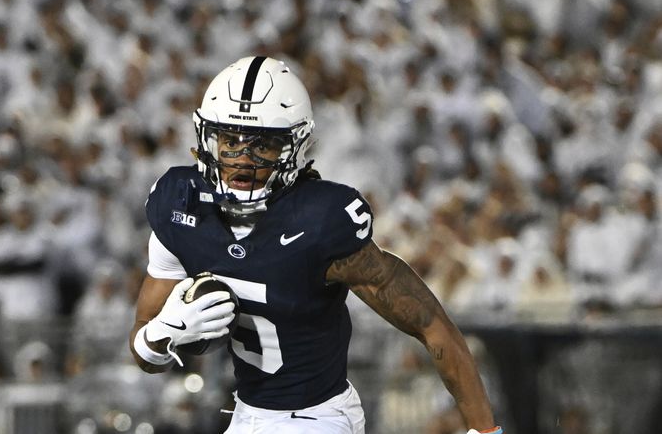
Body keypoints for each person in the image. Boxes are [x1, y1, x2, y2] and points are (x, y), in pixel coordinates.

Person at [129, 56, 501, 434]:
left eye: (264, 146)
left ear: (295, 146)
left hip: (317, 417)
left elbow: (431, 324)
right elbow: (143, 348)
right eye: (230, 140)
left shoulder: (321, 220)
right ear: (208, 139)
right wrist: (160, 335)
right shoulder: (181, 206)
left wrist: (486, 431)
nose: (244, 160)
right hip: (246, 415)